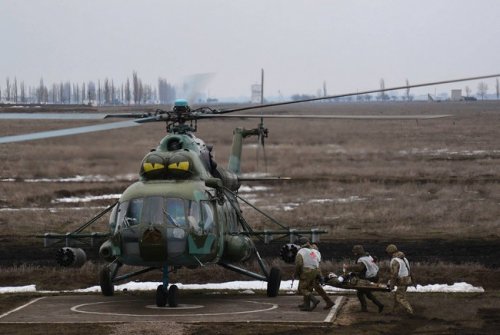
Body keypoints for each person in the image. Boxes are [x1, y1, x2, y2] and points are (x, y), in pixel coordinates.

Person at [344, 245, 384, 313]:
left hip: (369, 278)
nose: (354, 253)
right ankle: (368, 307)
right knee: (363, 292)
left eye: (355, 252)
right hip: (374, 276)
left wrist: (348, 267)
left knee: (363, 293)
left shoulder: (361, 259)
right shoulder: (368, 256)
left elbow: (359, 268)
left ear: (358, 252)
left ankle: (378, 305)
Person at [386, 244, 414, 315]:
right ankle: (394, 311)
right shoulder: (403, 258)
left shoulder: (395, 260)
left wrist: (391, 285)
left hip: (402, 281)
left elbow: (394, 274)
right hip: (407, 279)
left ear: (390, 252)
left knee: (399, 297)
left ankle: (409, 310)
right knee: (397, 296)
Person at [294, 237, 321, 311]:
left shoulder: (301, 252)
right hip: (314, 271)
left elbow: (298, 264)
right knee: (308, 288)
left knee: (302, 289)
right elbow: (316, 260)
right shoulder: (312, 251)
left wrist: (296, 273)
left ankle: (314, 300)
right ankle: (307, 305)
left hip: (306, 272)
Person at [311, 243, 335, 310]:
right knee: (314, 287)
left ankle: (328, 301)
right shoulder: (317, 253)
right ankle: (306, 302)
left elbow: (313, 262)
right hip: (316, 271)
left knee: (315, 287)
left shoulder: (313, 253)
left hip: (314, 271)